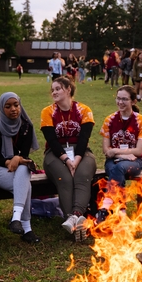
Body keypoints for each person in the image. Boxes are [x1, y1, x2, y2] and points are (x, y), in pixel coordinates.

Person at [40, 77, 97, 241]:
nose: (54, 92)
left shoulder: (84, 110)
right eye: (52, 90)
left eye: (57, 88)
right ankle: (73, 218)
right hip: (55, 153)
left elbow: (83, 139)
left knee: (83, 176)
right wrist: (66, 160)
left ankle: (75, 216)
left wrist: (76, 160)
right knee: (64, 178)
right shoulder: (48, 112)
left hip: (80, 151)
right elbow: (52, 141)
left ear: (68, 90)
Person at [0, 92, 40, 244]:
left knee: (23, 171)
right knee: (24, 184)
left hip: (18, 168)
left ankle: (16, 218)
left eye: (16, 105)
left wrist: (17, 159)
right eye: (8, 106)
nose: (13, 109)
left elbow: (25, 154)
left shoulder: (27, 126)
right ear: (2, 109)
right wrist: (10, 162)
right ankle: (26, 228)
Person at [96, 85, 142, 223]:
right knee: (117, 168)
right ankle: (121, 212)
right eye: (118, 98)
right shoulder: (109, 120)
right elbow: (105, 150)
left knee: (119, 168)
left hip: (134, 162)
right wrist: (123, 155)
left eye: (124, 99)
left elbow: (138, 151)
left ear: (133, 101)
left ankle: (107, 206)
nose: (120, 102)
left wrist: (116, 151)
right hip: (113, 161)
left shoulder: (141, 121)